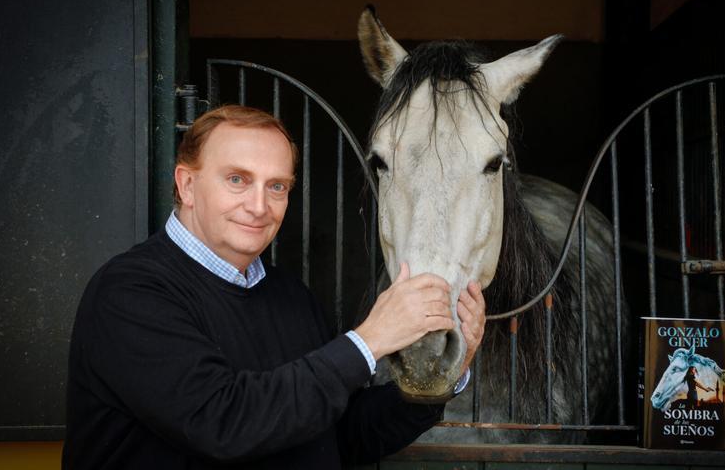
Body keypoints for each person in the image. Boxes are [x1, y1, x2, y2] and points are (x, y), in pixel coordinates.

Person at [62, 105, 486, 469]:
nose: (259, 206)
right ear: (187, 185)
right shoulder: (130, 294)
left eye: (277, 186)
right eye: (237, 180)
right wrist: (368, 340)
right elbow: (223, 423)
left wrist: (445, 374)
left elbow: (341, 436)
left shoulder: (290, 296)